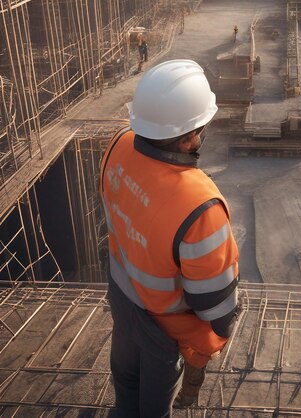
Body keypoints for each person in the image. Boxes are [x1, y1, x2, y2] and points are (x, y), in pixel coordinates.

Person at [100, 59, 240, 416]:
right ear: (190, 136)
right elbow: (215, 305)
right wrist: (216, 335)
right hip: (162, 328)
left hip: (120, 298)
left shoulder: (118, 145)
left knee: (126, 385)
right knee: (154, 407)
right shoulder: (199, 206)